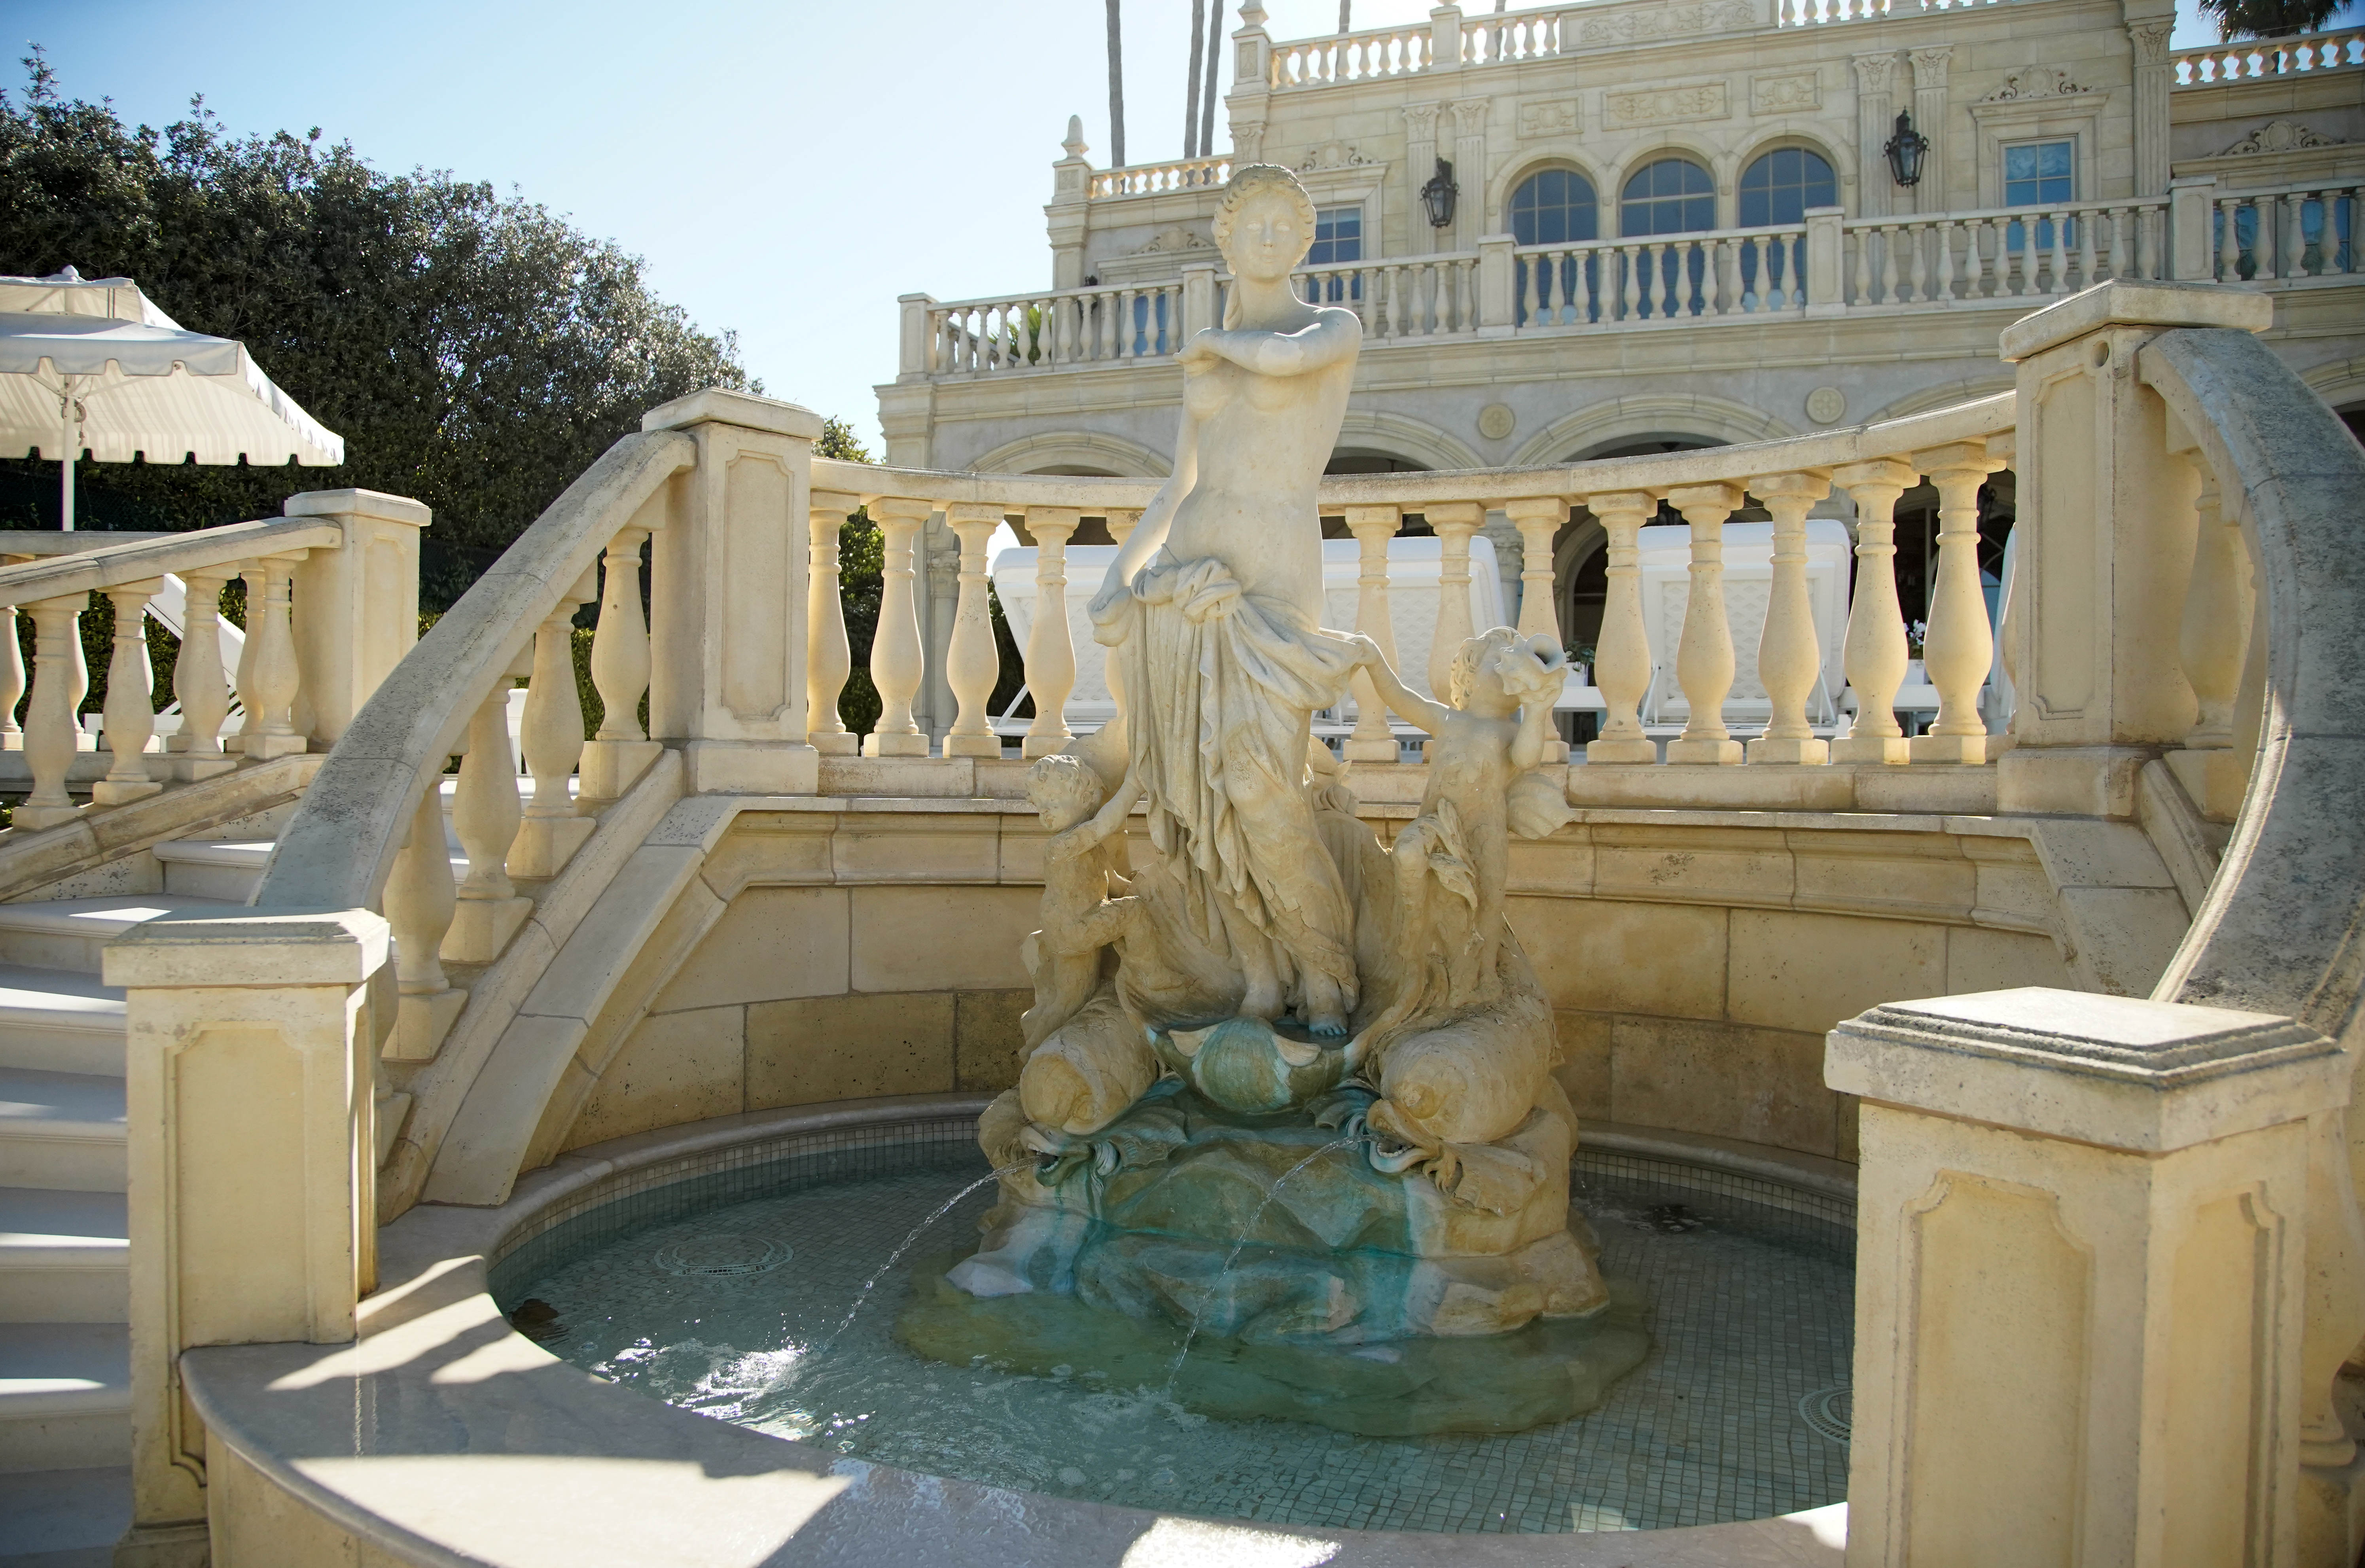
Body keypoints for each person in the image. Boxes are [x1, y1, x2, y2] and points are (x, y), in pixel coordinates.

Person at [1086, 163, 1367, 1036]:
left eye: (1287, 223)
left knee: (1260, 786)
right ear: (1228, 239)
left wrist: (1213, 341)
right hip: (1182, 582)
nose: (1270, 236)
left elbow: (1281, 359)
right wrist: (1119, 575)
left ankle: (1324, 971)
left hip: (1270, 582)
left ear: (1307, 241)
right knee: (1193, 794)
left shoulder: (1331, 328)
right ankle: (1257, 975)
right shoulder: (1208, 360)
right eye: (1255, 223)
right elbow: (1178, 485)